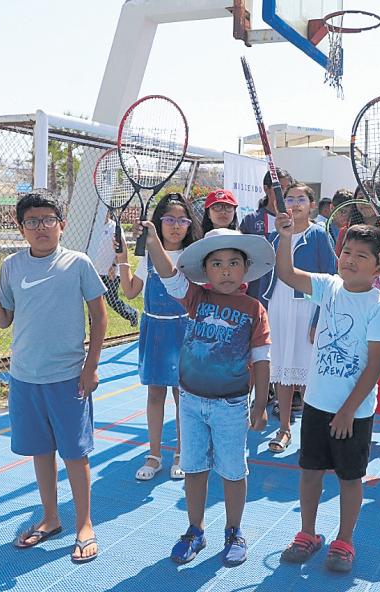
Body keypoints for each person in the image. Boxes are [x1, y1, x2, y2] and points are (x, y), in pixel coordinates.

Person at [0, 192, 106, 563]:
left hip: (68, 377)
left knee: (75, 454)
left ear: (62, 224)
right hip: (24, 378)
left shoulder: (78, 263)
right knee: (41, 451)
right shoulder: (12, 265)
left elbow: (99, 317)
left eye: (48, 219)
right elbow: (3, 318)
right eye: (32, 221)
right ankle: (50, 518)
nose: (41, 227)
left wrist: (91, 366)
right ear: (21, 227)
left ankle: (84, 524)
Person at [141, 224, 274, 566]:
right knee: (194, 468)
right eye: (217, 264)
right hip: (191, 403)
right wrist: (153, 241)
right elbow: (169, 276)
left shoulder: (253, 309)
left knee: (233, 471)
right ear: (205, 270)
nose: (225, 270)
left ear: (246, 268)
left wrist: (260, 404)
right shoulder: (197, 298)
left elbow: (262, 359)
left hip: (231, 406)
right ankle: (195, 529)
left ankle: (234, 530)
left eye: (233, 262)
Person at [274, 220, 380, 572]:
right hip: (316, 405)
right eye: (346, 252)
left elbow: (376, 364)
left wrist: (347, 411)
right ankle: (307, 533)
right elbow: (286, 273)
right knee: (310, 472)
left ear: (378, 268)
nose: (350, 260)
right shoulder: (328, 286)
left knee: (349, 478)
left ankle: (344, 540)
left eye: (361, 256)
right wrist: (285, 238)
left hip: (353, 413)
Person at [116, 193, 197, 480]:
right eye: (169, 219)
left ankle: (181, 452)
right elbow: (130, 291)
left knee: (182, 395)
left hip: (183, 331)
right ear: (158, 222)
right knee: (155, 394)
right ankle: (154, 454)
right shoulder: (148, 257)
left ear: (189, 225)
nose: (176, 226)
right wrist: (122, 260)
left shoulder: (192, 258)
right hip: (155, 332)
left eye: (182, 221)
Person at [263, 183, 337, 453]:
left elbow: (331, 277)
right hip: (278, 307)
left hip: (307, 308)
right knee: (282, 369)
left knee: (308, 374)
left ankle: (312, 432)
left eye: (301, 199)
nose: (294, 204)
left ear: (312, 205)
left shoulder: (319, 235)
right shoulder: (274, 237)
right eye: (290, 199)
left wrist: (319, 319)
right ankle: (284, 428)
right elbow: (265, 277)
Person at [240, 168, 293, 301]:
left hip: (288, 289)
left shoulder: (297, 220)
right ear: (266, 189)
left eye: (288, 188)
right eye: (279, 188)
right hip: (257, 290)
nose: (284, 193)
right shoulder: (251, 220)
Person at [86, 204, 139, 327]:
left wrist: (114, 265)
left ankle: (132, 313)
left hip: (111, 272)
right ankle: (94, 327)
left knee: (112, 300)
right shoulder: (93, 227)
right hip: (95, 271)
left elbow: (121, 248)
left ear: (108, 212)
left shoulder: (114, 227)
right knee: (93, 302)